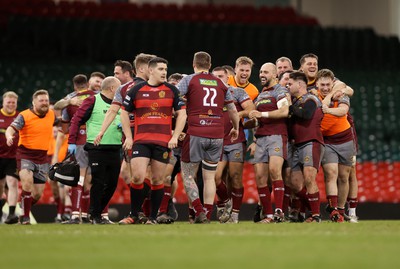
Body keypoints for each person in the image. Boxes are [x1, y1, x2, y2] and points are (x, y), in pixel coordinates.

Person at [120, 57, 186, 224]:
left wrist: (174, 135)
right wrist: (129, 136)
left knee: (158, 180)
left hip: (162, 142)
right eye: (161, 69)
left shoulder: (172, 90)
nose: (164, 72)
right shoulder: (136, 90)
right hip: (141, 141)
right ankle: (134, 215)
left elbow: (182, 114)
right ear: (150, 70)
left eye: (165, 69)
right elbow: (123, 113)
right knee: (137, 177)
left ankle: (152, 217)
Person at [93, 53, 157, 224]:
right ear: (143, 69)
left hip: (154, 134)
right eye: (153, 67)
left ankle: (147, 213)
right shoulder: (126, 88)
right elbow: (114, 110)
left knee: (151, 176)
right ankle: (141, 212)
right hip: (132, 134)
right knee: (133, 175)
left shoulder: (160, 87)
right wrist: (102, 131)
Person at [177, 51, 239, 223]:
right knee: (209, 177)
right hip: (217, 133)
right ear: (210, 65)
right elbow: (233, 110)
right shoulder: (220, 82)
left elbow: (175, 97)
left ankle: (199, 211)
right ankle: (208, 211)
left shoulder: (189, 80)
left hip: (196, 131)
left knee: (188, 175)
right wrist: (235, 128)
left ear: (193, 64)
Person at [68, 76, 122, 224]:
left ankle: (95, 211)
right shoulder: (92, 100)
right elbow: (76, 120)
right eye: (119, 86)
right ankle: (95, 215)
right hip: (96, 148)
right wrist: (71, 141)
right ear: (112, 88)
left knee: (112, 184)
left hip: (115, 147)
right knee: (98, 181)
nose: (122, 89)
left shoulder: (120, 103)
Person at [247, 63, 291, 223]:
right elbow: (257, 119)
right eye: (260, 72)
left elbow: (284, 112)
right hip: (260, 138)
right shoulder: (259, 96)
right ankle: (269, 215)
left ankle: (279, 212)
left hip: (276, 135)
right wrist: (244, 123)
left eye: (265, 72)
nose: (261, 74)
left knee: (274, 171)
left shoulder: (280, 91)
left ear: (274, 74)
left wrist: (261, 113)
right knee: (260, 177)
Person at [6, 89, 57, 225]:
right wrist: (9, 135)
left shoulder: (51, 115)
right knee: (27, 183)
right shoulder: (24, 115)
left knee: (37, 194)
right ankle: (25, 217)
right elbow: (11, 128)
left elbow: (61, 121)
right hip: (25, 155)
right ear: (34, 102)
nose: (44, 103)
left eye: (46, 100)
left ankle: (21, 207)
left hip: (42, 157)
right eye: (41, 101)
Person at [212, 66, 254, 223]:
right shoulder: (209, 96)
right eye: (214, 77)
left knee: (235, 177)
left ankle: (235, 215)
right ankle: (225, 202)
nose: (217, 79)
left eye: (221, 76)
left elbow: (250, 108)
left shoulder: (237, 92)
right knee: (216, 177)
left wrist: (237, 115)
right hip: (216, 141)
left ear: (227, 77)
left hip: (236, 140)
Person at [286, 71, 325, 223]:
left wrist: (289, 107)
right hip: (297, 145)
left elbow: (307, 114)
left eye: (291, 84)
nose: (288, 86)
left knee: (309, 178)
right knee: (294, 183)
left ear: (300, 84)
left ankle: (315, 215)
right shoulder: (296, 102)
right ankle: (313, 207)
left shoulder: (311, 98)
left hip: (311, 141)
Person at [317, 68, 354, 223]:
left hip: (345, 138)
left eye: (328, 85)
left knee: (344, 177)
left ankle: (340, 208)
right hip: (327, 140)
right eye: (322, 85)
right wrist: (328, 100)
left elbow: (343, 110)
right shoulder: (313, 95)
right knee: (331, 173)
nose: (325, 88)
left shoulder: (341, 94)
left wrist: (328, 109)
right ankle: (333, 211)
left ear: (333, 83)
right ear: (317, 84)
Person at [0, 91, 19, 224]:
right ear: (3, 102)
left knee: (12, 182)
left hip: (14, 156)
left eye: (13, 102)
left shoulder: (19, 116)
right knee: (1, 186)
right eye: (9, 102)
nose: (11, 105)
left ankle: (11, 214)